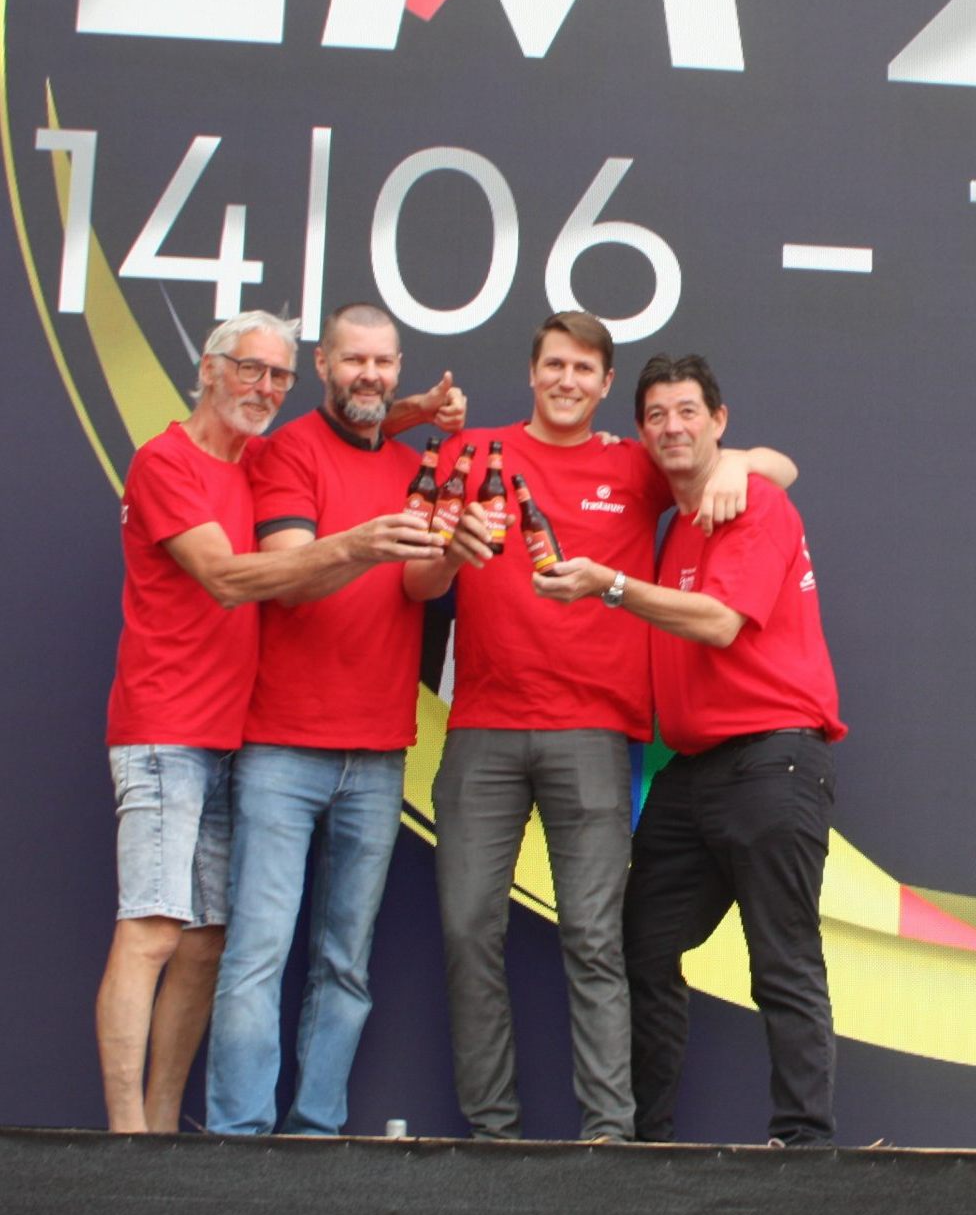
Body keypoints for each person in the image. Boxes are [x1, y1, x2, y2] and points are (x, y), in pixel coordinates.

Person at [404, 312, 796, 1141]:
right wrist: (449, 553)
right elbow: (413, 584)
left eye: (584, 369)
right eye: (555, 365)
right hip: (481, 729)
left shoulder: (634, 462)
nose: (567, 381)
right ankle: (492, 1131)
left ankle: (608, 1134)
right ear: (534, 370)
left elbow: (776, 466)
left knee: (593, 936)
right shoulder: (473, 452)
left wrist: (740, 464)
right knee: (468, 926)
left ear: (606, 384)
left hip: (594, 733)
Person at [96, 311, 446, 1134]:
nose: (266, 389)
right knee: (151, 928)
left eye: (278, 377)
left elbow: (345, 425)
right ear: (209, 368)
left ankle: (162, 1127)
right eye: (251, 371)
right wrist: (354, 543)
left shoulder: (254, 455)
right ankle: (121, 1140)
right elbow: (224, 576)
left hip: (228, 734)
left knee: (207, 942)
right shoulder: (166, 460)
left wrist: (412, 410)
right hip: (163, 730)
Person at [535, 353, 844, 1148]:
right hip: (693, 773)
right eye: (656, 415)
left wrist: (610, 584)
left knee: (781, 958)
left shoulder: (759, 504)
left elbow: (716, 621)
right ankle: (645, 1139)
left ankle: (803, 1143)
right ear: (641, 431)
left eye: (687, 411)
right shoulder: (675, 520)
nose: (672, 426)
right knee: (638, 943)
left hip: (774, 762)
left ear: (719, 419)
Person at [205, 302, 466, 1136]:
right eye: (355, 360)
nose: (370, 377)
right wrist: (362, 541)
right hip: (282, 746)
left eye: (384, 364)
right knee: (256, 956)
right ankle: (239, 1134)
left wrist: (447, 554)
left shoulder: (409, 462)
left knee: (345, 963)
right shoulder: (285, 453)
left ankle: (316, 1133)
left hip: (380, 751)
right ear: (323, 362)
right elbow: (285, 576)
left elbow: (419, 592)